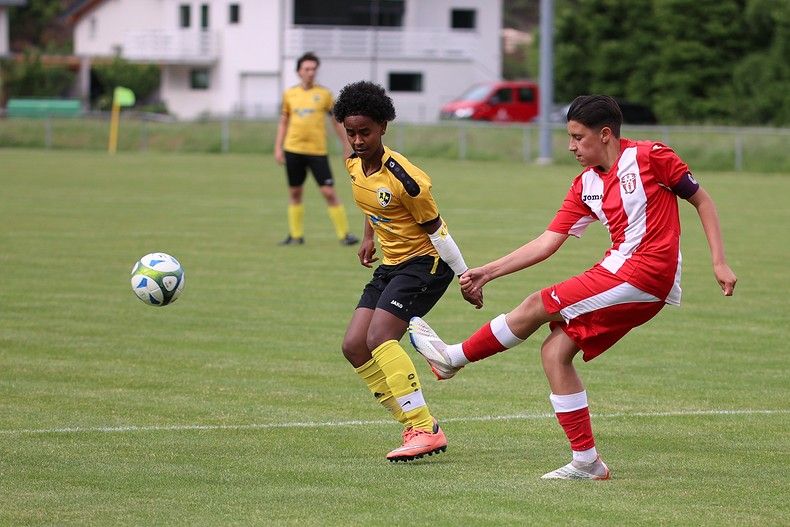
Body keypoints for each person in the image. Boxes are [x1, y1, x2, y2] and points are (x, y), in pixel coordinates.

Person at [409, 95, 737, 479]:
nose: (571, 146)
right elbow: (547, 242)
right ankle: (587, 462)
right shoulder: (585, 185)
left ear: (605, 134)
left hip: (645, 273)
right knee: (554, 352)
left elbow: (702, 200)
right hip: (624, 274)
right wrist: (488, 272)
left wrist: (718, 260)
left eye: (578, 138)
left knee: (537, 303)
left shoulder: (652, 157)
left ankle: (453, 358)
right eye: (570, 137)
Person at [333, 81, 482, 462]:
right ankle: (417, 423)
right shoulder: (353, 164)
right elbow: (371, 205)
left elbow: (438, 230)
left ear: (383, 126)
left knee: (381, 337)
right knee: (353, 346)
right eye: (351, 132)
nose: (358, 140)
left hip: (427, 264)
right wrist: (369, 237)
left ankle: (423, 427)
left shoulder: (407, 180)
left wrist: (467, 276)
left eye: (365, 131)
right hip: (392, 265)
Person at [274, 52, 359, 246]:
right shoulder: (290, 94)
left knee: (329, 192)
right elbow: (283, 122)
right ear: (298, 72)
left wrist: (347, 145)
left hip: (317, 152)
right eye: (307, 69)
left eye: (313, 69)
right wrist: (278, 148)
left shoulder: (325, 94)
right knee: (295, 192)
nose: (311, 72)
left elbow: (337, 122)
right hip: (293, 149)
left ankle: (345, 234)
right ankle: (296, 236)